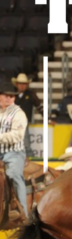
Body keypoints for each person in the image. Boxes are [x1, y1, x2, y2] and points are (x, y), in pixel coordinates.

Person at [0, 85, 28, 221]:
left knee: (14, 174)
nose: (9, 98)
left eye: (12, 96)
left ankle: (22, 210)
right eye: (6, 95)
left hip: (14, 152)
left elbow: (17, 136)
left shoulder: (19, 113)